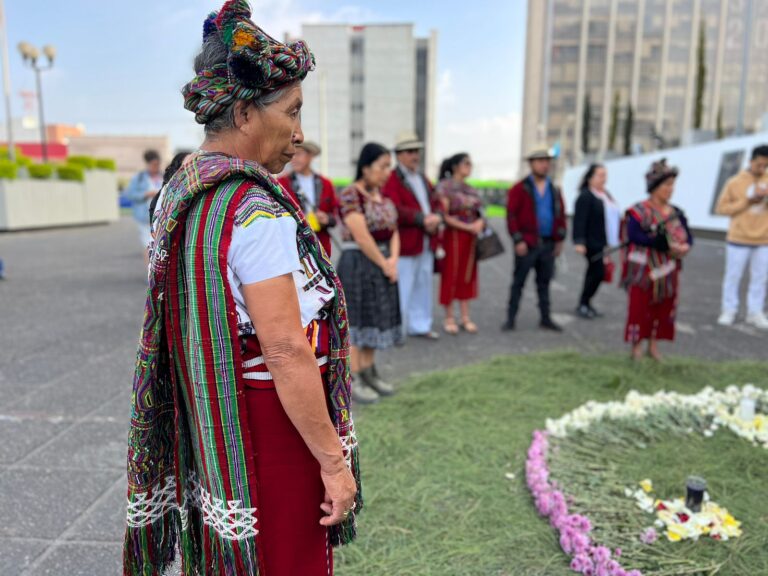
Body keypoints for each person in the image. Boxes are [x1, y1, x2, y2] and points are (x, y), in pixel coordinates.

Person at [124, 3, 360, 576]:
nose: (300, 134)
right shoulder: (255, 210)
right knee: (285, 557)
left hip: (213, 414)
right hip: (270, 424)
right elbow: (284, 348)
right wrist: (333, 461)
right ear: (246, 113)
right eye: (292, 112)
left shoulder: (185, 191)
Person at [336, 142, 401, 404]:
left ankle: (370, 371)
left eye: (389, 167)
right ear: (366, 167)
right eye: (382, 166)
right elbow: (362, 237)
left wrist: (393, 259)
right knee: (358, 320)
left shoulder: (384, 198)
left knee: (375, 317)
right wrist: (384, 263)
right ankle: (354, 376)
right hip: (359, 264)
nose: (387, 172)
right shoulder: (351, 195)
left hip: (382, 262)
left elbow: (394, 231)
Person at [621, 159, 693, 361]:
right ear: (654, 187)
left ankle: (654, 346)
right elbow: (635, 236)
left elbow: (689, 235)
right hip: (644, 269)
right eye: (666, 185)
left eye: (672, 185)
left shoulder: (676, 213)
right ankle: (637, 346)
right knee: (640, 307)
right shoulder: (638, 211)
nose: (670, 190)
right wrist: (664, 245)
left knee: (664, 307)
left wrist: (686, 247)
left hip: (669, 269)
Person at [383, 130, 443, 340]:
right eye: (409, 151)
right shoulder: (392, 179)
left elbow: (435, 201)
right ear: (399, 155)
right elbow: (393, 207)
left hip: (424, 240)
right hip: (407, 242)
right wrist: (421, 219)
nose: (414, 155)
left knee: (423, 284)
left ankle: (420, 325)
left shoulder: (422, 178)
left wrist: (435, 217)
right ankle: (398, 328)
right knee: (403, 286)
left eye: (416, 151)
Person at [502, 145, 567, 332]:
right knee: (518, 282)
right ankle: (510, 318)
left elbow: (560, 214)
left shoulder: (554, 190)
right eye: (540, 161)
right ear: (531, 164)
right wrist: (517, 240)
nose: (544, 165)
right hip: (527, 243)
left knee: (544, 283)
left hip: (547, 243)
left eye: (546, 161)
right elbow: (511, 215)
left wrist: (559, 239)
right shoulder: (520, 188)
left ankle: (545, 318)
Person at [715, 144, 768, 330]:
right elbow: (721, 208)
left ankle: (755, 312)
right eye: (759, 164)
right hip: (738, 238)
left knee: (760, 278)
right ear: (751, 161)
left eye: (766, 165)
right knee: (733, 276)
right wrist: (748, 201)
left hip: (764, 239)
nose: (762, 169)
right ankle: (729, 309)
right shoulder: (735, 182)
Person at [436, 153, 484, 334]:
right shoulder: (445, 187)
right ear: (455, 166)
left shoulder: (470, 189)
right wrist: (467, 226)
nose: (470, 166)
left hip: (471, 238)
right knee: (451, 274)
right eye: (466, 163)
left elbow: (480, 211)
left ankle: (465, 316)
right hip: (453, 237)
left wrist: (479, 223)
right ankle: (449, 317)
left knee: (468, 275)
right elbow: (444, 214)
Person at [572, 164, 621, 319]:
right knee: (597, 272)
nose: (603, 179)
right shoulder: (586, 196)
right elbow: (579, 220)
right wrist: (579, 241)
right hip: (592, 241)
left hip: (604, 241)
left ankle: (586, 303)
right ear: (590, 177)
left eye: (605, 175)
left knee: (596, 273)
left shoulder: (605, 195)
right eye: (600, 175)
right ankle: (583, 303)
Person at [278, 140, 339, 256]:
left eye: (298, 154)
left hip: (321, 247)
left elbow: (336, 216)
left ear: (310, 156)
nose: (294, 159)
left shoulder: (326, 184)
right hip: (292, 248)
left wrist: (327, 218)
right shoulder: (281, 183)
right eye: (292, 155)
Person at [124, 149, 163, 265]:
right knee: (148, 245)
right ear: (148, 164)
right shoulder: (139, 178)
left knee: (160, 246)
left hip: (161, 217)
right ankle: (150, 274)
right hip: (144, 217)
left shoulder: (164, 176)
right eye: (153, 165)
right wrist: (145, 194)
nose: (156, 167)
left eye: (158, 164)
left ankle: (159, 274)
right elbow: (130, 194)